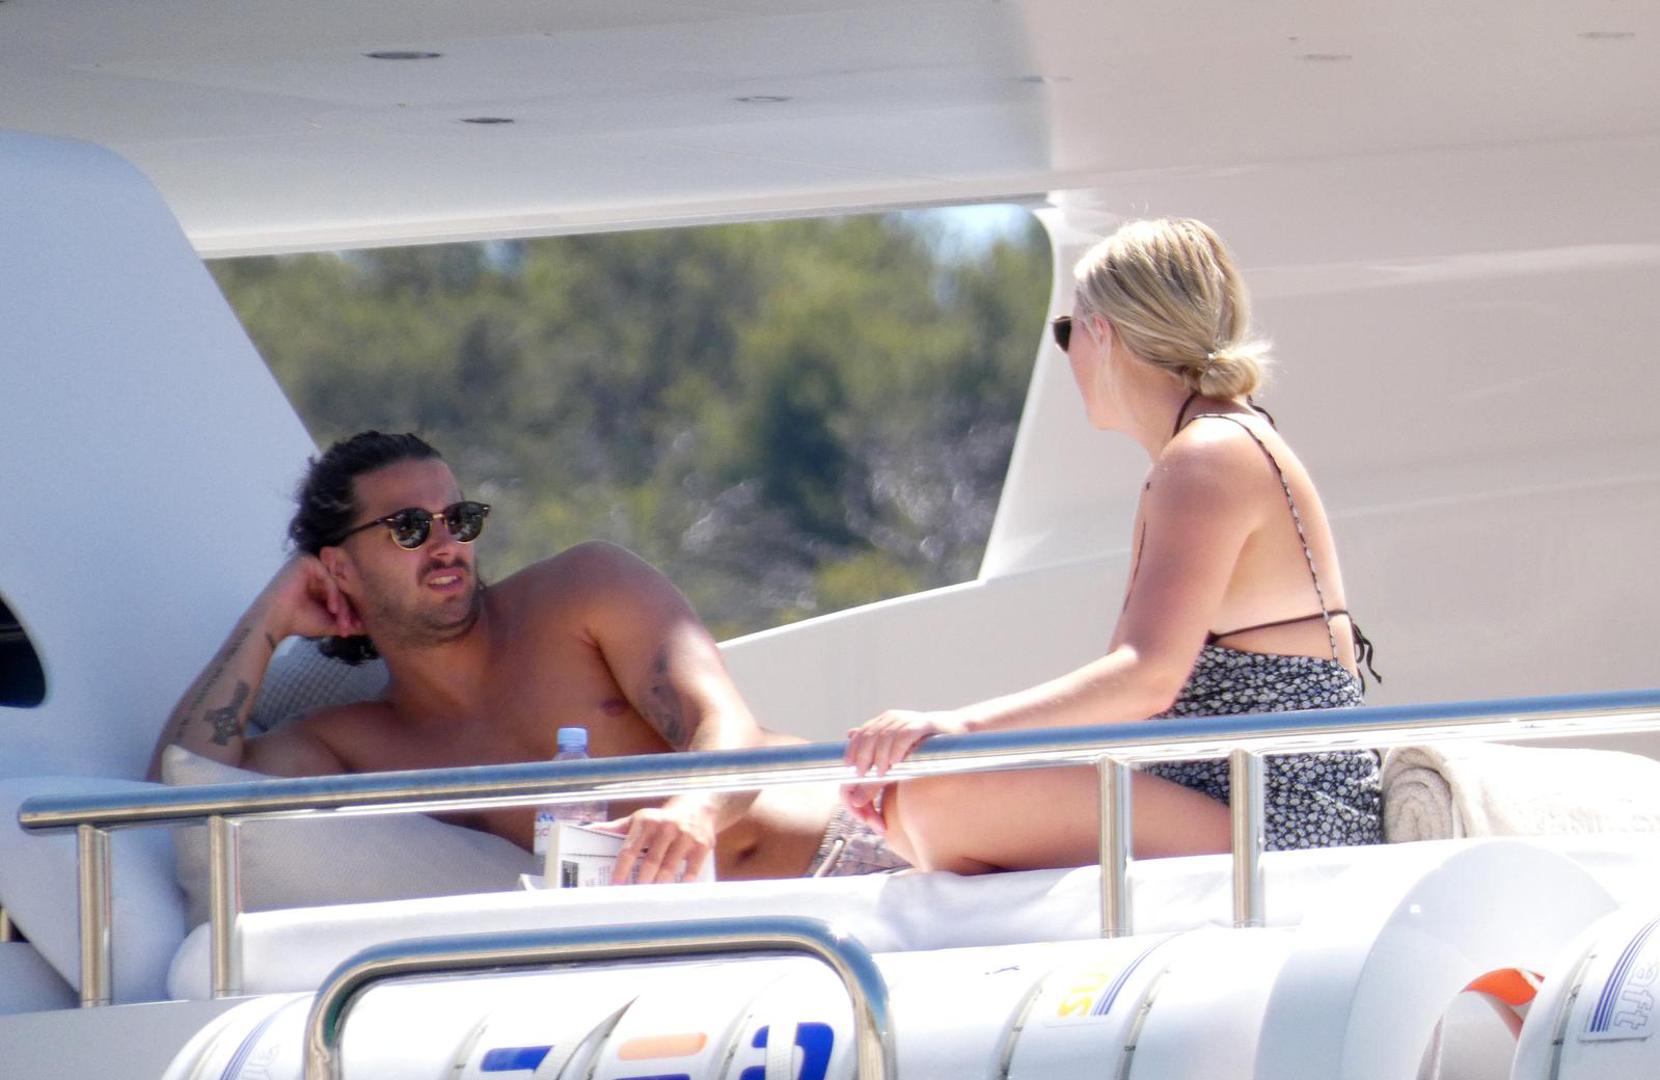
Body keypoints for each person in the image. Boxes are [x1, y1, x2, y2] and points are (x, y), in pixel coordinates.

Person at [843, 218, 1382, 873]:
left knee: (937, 798)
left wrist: (959, 729)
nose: (1066, 351)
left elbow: (1147, 677)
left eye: (1066, 331)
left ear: (1102, 334)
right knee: (922, 802)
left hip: (1283, 819)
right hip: (1244, 803)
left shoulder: (1207, 457)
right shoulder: (1212, 449)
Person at [149, 431, 905, 883]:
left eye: (458, 519)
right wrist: (267, 621)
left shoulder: (583, 591)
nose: (446, 544)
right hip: (725, 946)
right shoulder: (359, 745)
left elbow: (724, 723)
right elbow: (183, 792)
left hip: (857, 851)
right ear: (339, 569)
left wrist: (692, 814)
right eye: (409, 527)